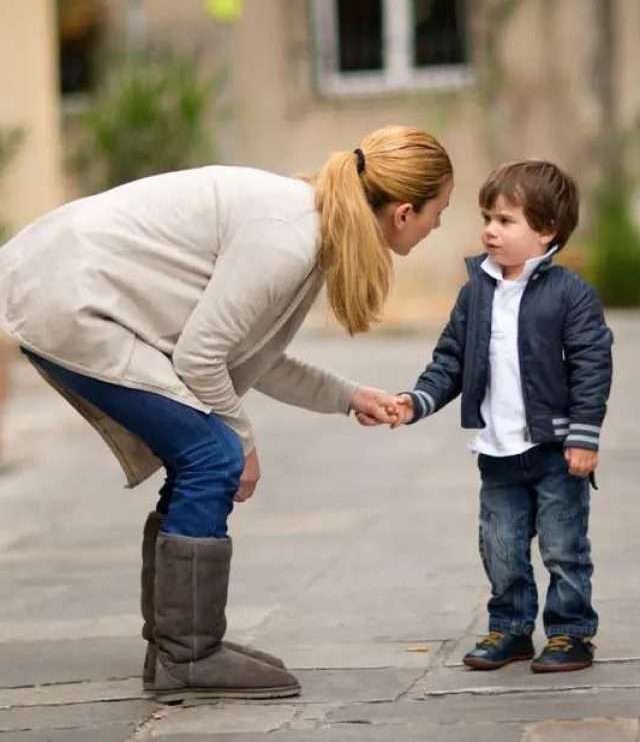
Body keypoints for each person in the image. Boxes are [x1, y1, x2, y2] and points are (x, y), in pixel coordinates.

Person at [0, 125, 454, 702]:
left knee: (203, 452)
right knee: (212, 455)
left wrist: (348, 395)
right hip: (67, 298)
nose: (438, 225)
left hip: (67, 290)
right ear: (404, 212)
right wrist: (243, 444)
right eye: (440, 212)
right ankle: (188, 654)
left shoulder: (311, 228)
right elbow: (202, 355)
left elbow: (252, 356)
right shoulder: (291, 236)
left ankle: (177, 646)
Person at [368, 160, 613, 673]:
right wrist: (416, 401)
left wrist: (584, 437)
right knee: (500, 546)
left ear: (546, 230)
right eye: (487, 218)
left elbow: (592, 366)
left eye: (505, 220)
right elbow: (451, 360)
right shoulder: (475, 291)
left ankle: (570, 634)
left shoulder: (570, 296)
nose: (489, 230)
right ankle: (511, 628)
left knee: (564, 548)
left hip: (555, 449)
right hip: (498, 451)